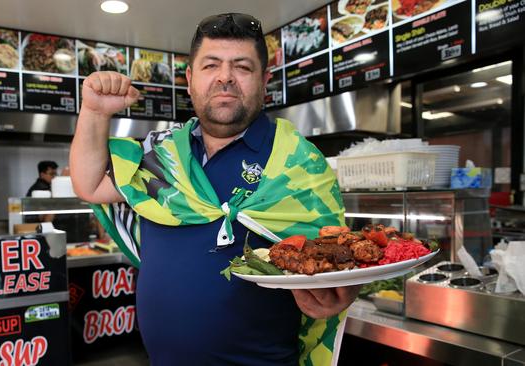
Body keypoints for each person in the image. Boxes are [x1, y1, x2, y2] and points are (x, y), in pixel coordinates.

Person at [70, 13, 359, 365]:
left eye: (242, 67)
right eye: (211, 65)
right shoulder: (160, 154)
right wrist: (95, 113)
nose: (225, 77)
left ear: (264, 80)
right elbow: (90, 183)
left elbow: (339, 258)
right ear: (190, 80)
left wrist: (339, 292)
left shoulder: (298, 163)